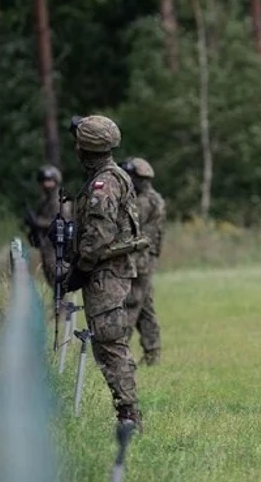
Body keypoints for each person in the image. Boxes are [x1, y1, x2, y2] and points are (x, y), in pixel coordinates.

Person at [63, 115, 147, 430]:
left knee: (111, 344)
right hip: (107, 273)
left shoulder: (105, 182)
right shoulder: (107, 176)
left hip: (106, 275)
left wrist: (81, 268)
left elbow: (99, 232)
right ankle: (127, 413)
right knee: (107, 343)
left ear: (84, 148)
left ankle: (129, 417)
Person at [119, 157, 166, 366]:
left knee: (131, 304)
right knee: (145, 308)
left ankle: (120, 353)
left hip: (138, 261)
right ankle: (152, 353)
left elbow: (129, 231)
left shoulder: (142, 202)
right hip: (146, 259)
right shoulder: (155, 199)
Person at [23, 165, 63, 284]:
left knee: (58, 279)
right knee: (50, 277)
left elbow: (61, 221)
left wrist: (38, 222)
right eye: (44, 181)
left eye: (50, 181)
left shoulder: (59, 200)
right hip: (46, 245)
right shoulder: (45, 201)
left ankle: (61, 302)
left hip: (57, 246)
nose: (46, 185)